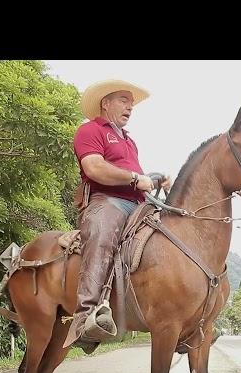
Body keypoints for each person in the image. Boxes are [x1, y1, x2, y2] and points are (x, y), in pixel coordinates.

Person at [63, 78, 171, 352]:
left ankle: (177, 311)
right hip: (106, 202)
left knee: (170, 234)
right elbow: (95, 168)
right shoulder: (90, 130)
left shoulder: (129, 141)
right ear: (106, 103)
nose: (130, 107)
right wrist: (137, 178)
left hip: (138, 204)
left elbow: (137, 178)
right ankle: (85, 318)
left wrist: (155, 180)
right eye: (124, 101)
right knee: (102, 235)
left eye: (131, 103)